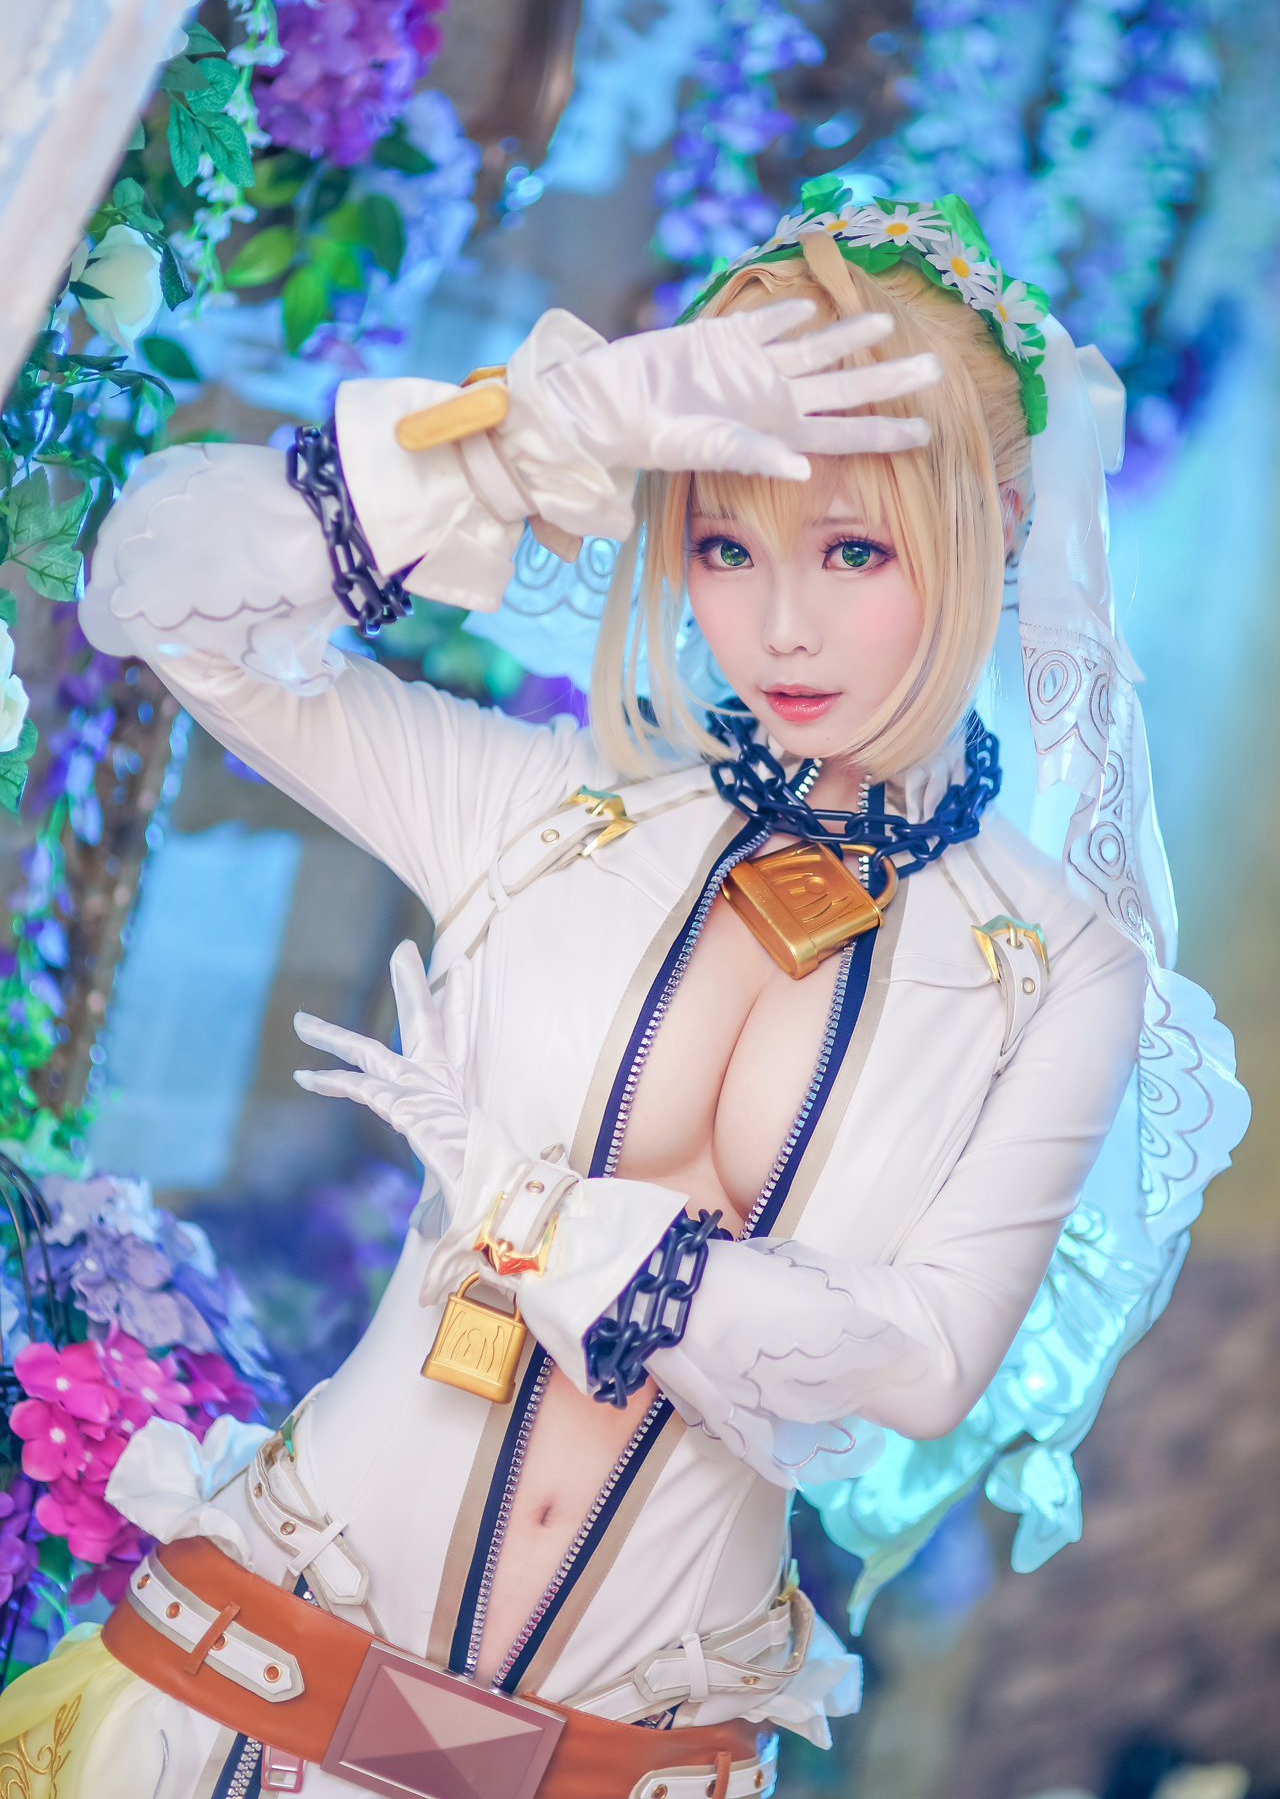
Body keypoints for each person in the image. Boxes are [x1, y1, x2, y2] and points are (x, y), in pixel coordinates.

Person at [0, 190, 1245, 1799]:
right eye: (725, 546)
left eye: (853, 550)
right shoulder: (540, 812)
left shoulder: (1062, 967)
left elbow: (931, 1359)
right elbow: (151, 595)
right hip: (234, 1718)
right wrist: (525, 439)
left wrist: (538, 1220)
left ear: (999, 523)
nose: (779, 624)